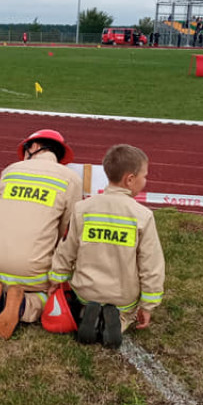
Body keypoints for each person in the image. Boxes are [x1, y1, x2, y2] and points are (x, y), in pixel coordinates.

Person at [49, 144, 165, 348]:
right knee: (124, 311)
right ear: (130, 179)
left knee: (84, 298)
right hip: (122, 297)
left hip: (85, 291)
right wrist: (147, 306)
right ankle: (117, 321)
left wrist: (56, 280)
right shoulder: (143, 216)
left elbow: (66, 249)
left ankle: (87, 312)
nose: (146, 180)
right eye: (144, 176)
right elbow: (151, 265)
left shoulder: (83, 209)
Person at [0, 129, 82, 339]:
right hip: (31, 274)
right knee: (48, 294)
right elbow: (67, 232)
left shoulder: (10, 171)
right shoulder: (70, 179)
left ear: (34, 147)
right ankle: (25, 304)